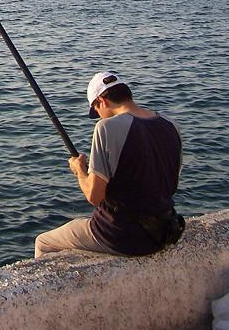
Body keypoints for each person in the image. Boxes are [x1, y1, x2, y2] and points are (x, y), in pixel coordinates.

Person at [35, 71, 184, 258]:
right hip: (165, 230)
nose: (98, 116)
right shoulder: (171, 125)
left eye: (96, 110)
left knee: (44, 242)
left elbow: (94, 196)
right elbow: (170, 184)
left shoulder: (107, 127)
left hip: (121, 235)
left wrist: (80, 170)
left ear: (102, 101)